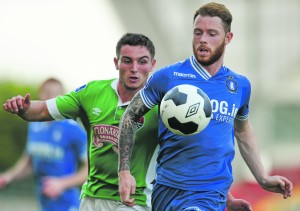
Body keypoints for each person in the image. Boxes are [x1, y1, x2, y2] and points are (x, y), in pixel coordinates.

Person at [3, 33, 251, 211]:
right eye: (127, 60)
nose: (134, 68)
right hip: (91, 199)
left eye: (142, 61)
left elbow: (191, 159)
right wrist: (23, 108)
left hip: (136, 202)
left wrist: (226, 198)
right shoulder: (91, 93)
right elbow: (42, 110)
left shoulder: (167, 106)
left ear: (152, 65)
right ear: (116, 63)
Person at [118, 3, 293, 211]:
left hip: (211, 194)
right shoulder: (168, 78)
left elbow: (242, 130)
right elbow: (129, 116)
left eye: (212, 34)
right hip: (167, 191)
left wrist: (262, 178)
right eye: (198, 32)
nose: (203, 39)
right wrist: (124, 171)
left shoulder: (239, 86)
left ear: (228, 38)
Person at [0, 78, 88, 211]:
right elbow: (29, 162)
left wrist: (61, 184)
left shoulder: (73, 128)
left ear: (63, 96)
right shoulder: (34, 125)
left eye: (56, 94)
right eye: (47, 92)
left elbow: (91, 168)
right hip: (44, 203)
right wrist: (8, 176)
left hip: (68, 204)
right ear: (40, 94)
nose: (51, 97)